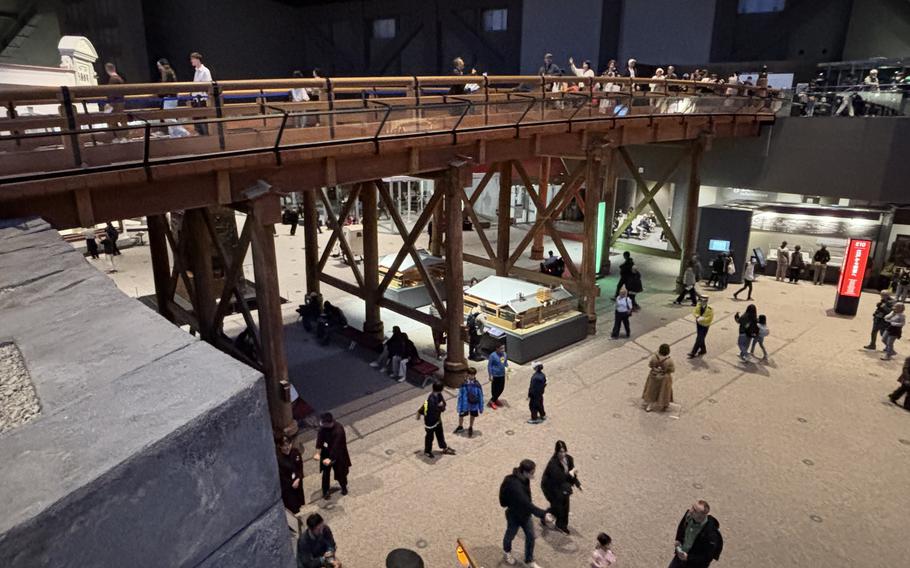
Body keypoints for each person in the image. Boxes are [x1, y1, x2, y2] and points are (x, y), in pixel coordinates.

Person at [499, 459, 553, 567]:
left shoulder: (523, 478)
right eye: (532, 473)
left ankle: (529, 559)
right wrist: (544, 514)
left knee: (530, 536)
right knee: (510, 535)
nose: (533, 475)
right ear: (525, 472)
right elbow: (527, 504)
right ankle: (507, 552)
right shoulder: (515, 486)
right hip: (514, 515)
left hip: (525, 514)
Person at [540, 440, 581, 534]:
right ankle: (545, 516)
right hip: (551, 488)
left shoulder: (569, 459)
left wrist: (577, 483)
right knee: (558, 507)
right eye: (560, 452)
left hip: (563, 487)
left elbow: (572, 472)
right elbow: (559, 478)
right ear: (556, 452)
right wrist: (570, 474)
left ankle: (561, 525)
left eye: (564, 451)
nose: (563, 454)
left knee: (564, 507)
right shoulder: (553, 464)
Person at [668, 500, 723, 568]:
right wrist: (678, 539)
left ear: (702, 515)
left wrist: (688, 557)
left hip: (694, 565)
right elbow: (681, 527)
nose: (691, 510)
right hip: (680, 556)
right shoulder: (689, 515)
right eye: (692, 507)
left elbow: (707, 557)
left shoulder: (711, 534)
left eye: (695, 510)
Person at [313, 413, 351, 499]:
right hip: (326, 453)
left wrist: (330, 459)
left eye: (323, 423)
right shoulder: (322, 429)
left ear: (329, 423)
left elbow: (336, 447)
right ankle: (325, 491)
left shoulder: (338, 430)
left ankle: (344, 487)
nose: (321, 424)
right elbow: (319, 441)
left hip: (338, 455)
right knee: (325, 474)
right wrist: (318, 453)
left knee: (341, 473)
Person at [418, 381, 456, 458]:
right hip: (430, 422)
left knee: (440, 434)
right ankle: (427, 451)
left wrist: (441, 406)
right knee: (429, 437)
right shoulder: (431, 399)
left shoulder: (438, 395)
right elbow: (435, 409)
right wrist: (440, 406)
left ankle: (444, 448)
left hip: (437, 420)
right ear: (441, 389)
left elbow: (443, 404)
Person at [156, 58, 191, 138]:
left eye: (159, 65)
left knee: (168, 117)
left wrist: (159, 92)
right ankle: (174, 134)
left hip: (169, 97)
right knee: (169, 116)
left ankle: (183, 132)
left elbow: (164, 85)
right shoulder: (170, 71)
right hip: (173, 96)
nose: (158, 67)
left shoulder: (166, 71)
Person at [642, 344, 675, 412]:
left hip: (653, 376)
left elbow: (650, 365)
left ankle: (649, 405)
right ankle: (664, 404)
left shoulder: (654, 357)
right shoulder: (669, 360)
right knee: (664, 391)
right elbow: (672, 369)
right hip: (664, 378)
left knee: (651, 391)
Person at [276, 435, 304, 514]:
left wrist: (298, 478)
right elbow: (281, 476)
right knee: (291, 506)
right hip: (287, 486)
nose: (287, 447)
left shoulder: (295, 452)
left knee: (298, 502)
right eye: (284, 446)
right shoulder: (279, 459)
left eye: (289, 444)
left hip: (297, 482)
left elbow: (300, 467)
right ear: (280, 446)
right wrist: (292, 483)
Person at [454, 367, 483, 437]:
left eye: (473, 374)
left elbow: (480, 396)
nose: (471, 376)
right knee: (461, 415)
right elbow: (460, 395)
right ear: (467, 374)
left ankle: (470, 427)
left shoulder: (477, 385)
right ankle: (460, 426)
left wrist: (481, 407)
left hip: (474, 404)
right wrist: (459, 406)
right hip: (465, 404)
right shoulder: (464, 383)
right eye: (470, 374)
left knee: (472, 415)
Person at [190, 52, 212, 136]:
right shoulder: (197, 71)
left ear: (197, 59)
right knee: (196, 117)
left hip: (202, 99)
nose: (191, 61)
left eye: (192, 59)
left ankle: (205, 134)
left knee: (202, 117)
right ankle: (200, 133)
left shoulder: (205, 71)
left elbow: (208, 85)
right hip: (196, 98)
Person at [104, 62, 126, 141]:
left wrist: (108, 104)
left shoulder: (113, 79)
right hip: (120, 102)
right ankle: (122, 137)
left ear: (107, 70)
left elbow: (111, 93)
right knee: (120, 119)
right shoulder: (119, 78)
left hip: (114, 103)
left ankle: (118, 137)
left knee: (111, 120)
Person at [488, 343, 508, 409]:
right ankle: (493, 401)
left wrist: (508, 370)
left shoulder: (505, 354)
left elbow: (505, 363)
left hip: (502, 374)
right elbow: (489, 366)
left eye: (504, 348)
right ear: (497, 349)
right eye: (501, 348)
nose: (503, 350)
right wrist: (490, 375)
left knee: (501, 388)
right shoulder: (492, 356)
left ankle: (494, 399)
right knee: (495, 389)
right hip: (495, 375)